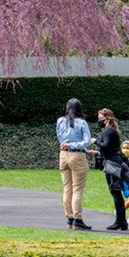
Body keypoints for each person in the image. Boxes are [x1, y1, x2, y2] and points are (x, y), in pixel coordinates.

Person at [56, 98, 94, 230]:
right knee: (77, 189)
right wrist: (75, 144)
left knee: (67, 188)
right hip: (77, 155)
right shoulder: (82, 123)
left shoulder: (60, 121)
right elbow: (87, 141)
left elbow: (60, 137)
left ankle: (69, 217)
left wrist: (66, 144)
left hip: (63, 154)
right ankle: (77, 219)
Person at [93, 108, 127, 231]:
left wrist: (96, 142)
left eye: (100, 118)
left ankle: (120, 221)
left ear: (106, 118)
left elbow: (106, 146)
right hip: (115, 161)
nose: (99, 120)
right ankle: (122, 222)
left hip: (112, 163)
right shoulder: (112, 130)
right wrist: (97, 152)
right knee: (116, 191)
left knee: (115, 191)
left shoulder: (108, 130)